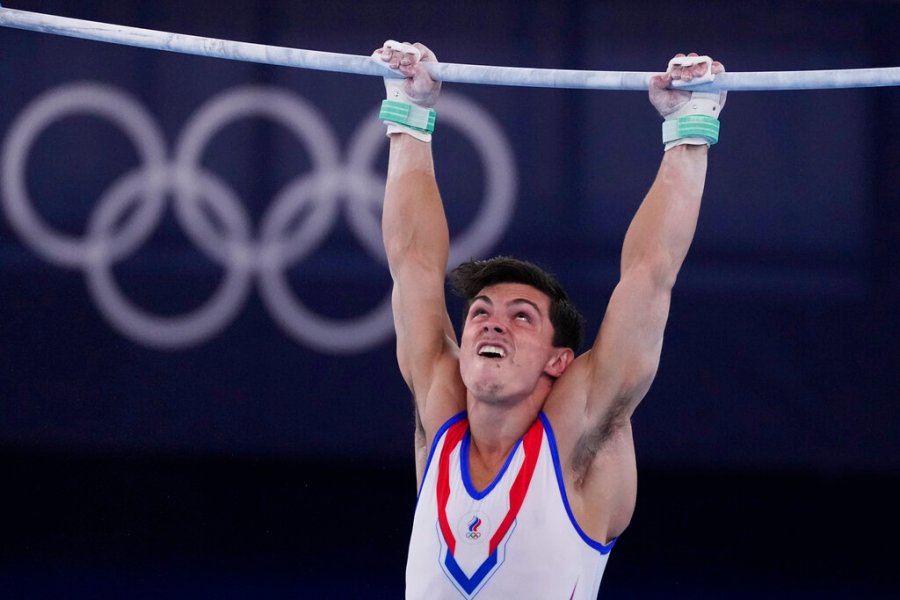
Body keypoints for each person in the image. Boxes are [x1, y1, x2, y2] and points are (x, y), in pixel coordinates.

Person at [374, 40, 725, 599]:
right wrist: (409, 114)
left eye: (521, 318)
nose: (492, 324)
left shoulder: (577, 431)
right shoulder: (440, 401)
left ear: (560, 360)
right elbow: (412, 266)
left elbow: (649, 275)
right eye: (481, 313)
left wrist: (689, 131)